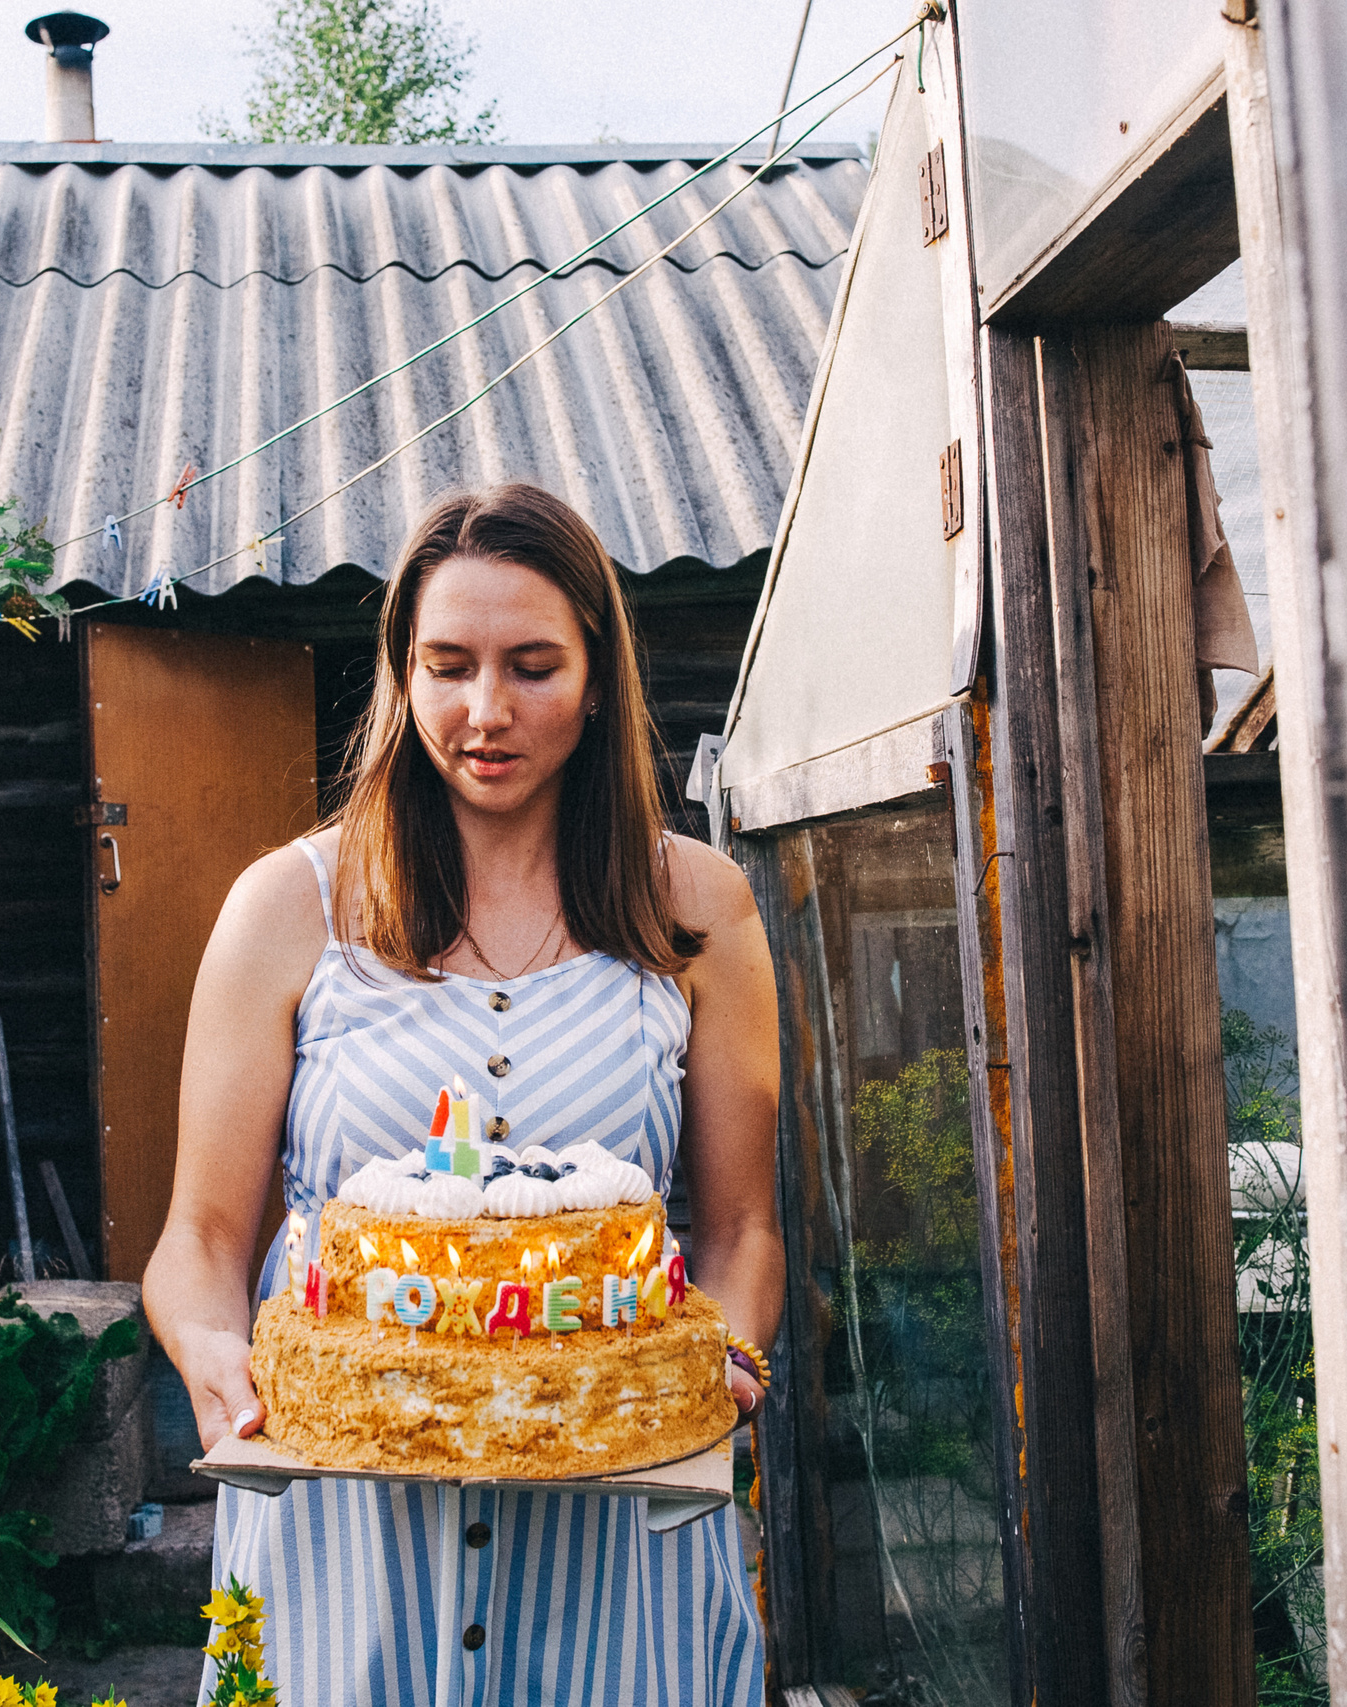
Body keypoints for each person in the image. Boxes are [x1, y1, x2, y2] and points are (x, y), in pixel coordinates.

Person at [143, 483, 784, 1705]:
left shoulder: (696, 909)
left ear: (598, 678)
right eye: (447, 666)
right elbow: (202, 1238)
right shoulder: (290, 907)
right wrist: (213, 1352)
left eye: (532, 666)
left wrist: (725, 1359)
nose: (484, 711)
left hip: (618, 1550)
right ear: (402, 678)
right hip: (346, 1541)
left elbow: (741, 1230)